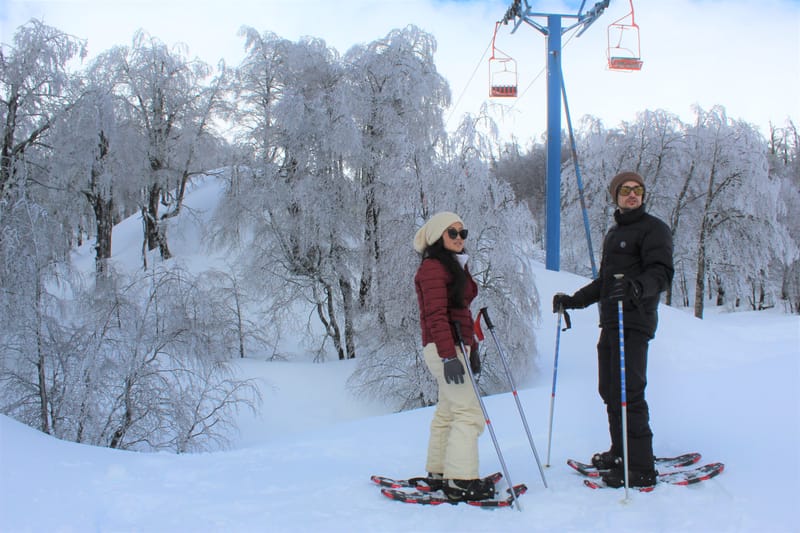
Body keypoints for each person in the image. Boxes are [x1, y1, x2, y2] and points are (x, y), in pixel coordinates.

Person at [553, 171, 674, 488]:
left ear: (643, 195)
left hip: (634, 320)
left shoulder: (654, 229)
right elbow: (606, 283)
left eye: (637, 189)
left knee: (629, 393)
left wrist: (636, 288)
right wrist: (574, 301)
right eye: (625, 190)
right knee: (609, 389)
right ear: (615, 196)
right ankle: (620, 451)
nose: (632, 194)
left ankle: (641, 465)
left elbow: (661, 273)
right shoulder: (614, 233)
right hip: (610, 321)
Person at [413, 211, 493, 502]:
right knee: (468, 413)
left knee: (448, 411)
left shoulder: (453, 266)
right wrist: (449, 357)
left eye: (463, 233)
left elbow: (461, 312)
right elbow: (436, 315)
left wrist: (472, 350)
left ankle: (439, 471)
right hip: (444, 347)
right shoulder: (434, 268)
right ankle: (460, 479)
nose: (460, 238)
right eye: (453, 233)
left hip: (456, 346)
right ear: (438, 237)